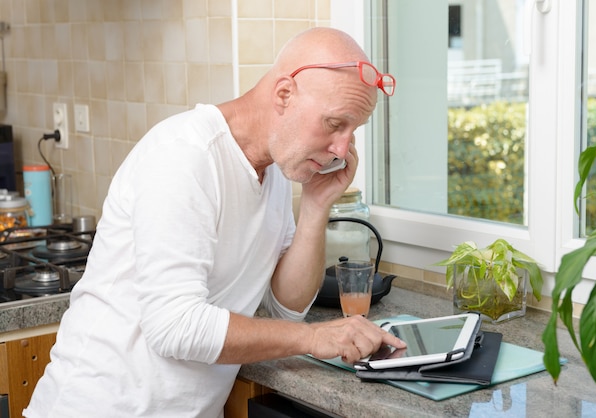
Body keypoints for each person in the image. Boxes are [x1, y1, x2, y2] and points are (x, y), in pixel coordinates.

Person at [24, 27, 404, 417]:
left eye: (352, 131)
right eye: (334, 124)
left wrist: (316, 206)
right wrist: (313, 339)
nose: (342, 148)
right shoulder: (185, 155)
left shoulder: (273, 170)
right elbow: (175, 325)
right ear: (284, 94)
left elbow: (285, 309)